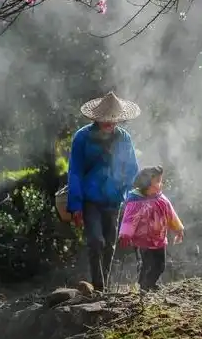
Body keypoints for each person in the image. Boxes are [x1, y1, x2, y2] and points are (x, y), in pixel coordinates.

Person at [67, 92, 140, 292]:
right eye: (106, 119)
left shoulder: (124, 138)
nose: (109, 123)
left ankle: (103, 286)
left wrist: (126, 191)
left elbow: (132, 168)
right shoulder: (82, 137)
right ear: (96, 118)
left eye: (113, 119)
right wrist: (75, 205)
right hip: (90, 198)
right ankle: (98, 285)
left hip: (114, 198)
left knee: (110, 244)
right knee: (96, 241)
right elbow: (75, 171)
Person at [118, 165, 184, 292]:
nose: (161, 184)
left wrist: (178, 228)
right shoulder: (136, 202)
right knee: (146, 264)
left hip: (159, 239)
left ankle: (149, 283)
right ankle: (144, 285)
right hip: (143, 241)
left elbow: (171, 214)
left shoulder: (161, 199)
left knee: (160, 265)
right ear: (147, 184)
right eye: (158, 181)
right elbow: (129, 219)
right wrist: (125, 234)